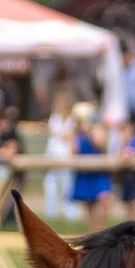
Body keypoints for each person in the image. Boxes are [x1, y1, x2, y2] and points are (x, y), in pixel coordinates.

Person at [43, 92, 79, 220]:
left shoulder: (72, 120)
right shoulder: (55, 118)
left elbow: (70, 137)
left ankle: (71, 212)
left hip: (66, 154)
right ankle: (51, 211)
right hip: (53, 153)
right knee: (51, 183)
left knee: (67, 184)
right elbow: (56, 133)